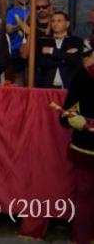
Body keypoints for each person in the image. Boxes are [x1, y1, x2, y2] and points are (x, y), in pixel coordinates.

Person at [58, 54, 94, 244]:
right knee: (85, 196)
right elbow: (65, 116)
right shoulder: (83, 76)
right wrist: (75, 119)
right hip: (86, 148)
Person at [35, 11, 83, 89]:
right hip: (47, 86)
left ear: (67, 24)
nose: (55, 24)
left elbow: (74, 59)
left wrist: (51, 51)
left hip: (69, 86)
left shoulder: (76, 41)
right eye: (53, 21)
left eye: (59, 21)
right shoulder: (43, 41)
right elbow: (42, 62)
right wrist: (65, 57)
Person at [5, 0, 31, 84]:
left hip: (31, 46)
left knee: (31, 73)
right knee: (18, 74)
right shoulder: (12, 11)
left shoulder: (33, 10)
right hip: (16, 46)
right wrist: (21, 24)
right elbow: (9, 29)